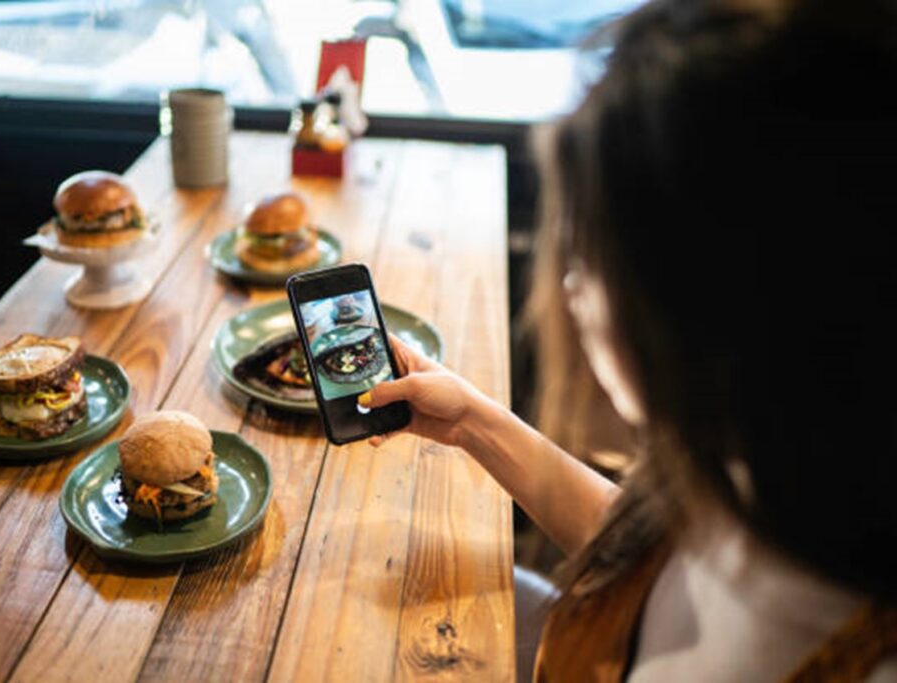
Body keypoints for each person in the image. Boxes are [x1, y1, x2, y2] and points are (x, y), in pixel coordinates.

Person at [357, 0, 897, 680]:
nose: (574, 289)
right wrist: (474, 420)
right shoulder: (771, 459)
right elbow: (648, 557)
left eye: (591, 253)